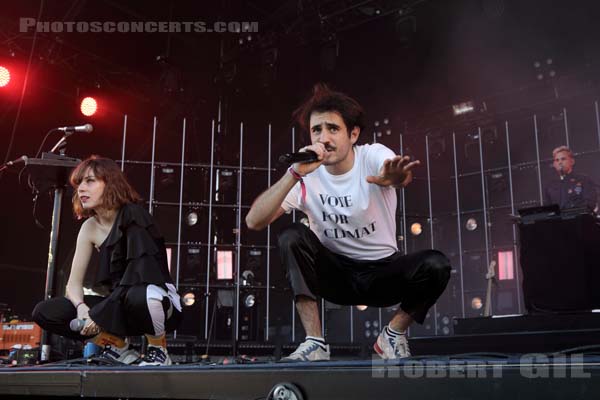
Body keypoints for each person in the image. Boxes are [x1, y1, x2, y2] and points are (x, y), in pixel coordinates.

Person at [245, 84, 451, 361]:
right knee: (291, 235)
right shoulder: (306, 176)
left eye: (333, 128)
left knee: (436, 264)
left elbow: (396, 174)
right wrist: (293, 174)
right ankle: (315, 342)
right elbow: (254, 221)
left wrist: (395, 178)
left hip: (382, 274)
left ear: (353, 134)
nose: (324, 137)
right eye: (317, 130)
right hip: (335, 275)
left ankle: (392, 335)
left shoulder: (372, 155)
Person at [33, 156, 182, 365]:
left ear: (110, 183)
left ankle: (159, 350)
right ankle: (119, 349)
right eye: (79, 184)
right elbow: (73, 285)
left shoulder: (134, 215)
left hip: (156, 301)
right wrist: (81, 307)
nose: (82, 189)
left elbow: (138, 278)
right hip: (118, 304)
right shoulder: (89, 227)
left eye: (90, 181)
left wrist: (99, 314)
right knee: (47, 312)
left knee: (141, 294)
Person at [544, 145, 598, 211]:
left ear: (572, 161)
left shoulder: (584, 180)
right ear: (554, 164)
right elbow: (547, 210)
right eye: (557, 160)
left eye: (563, 159)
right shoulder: (550, 186)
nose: (560, 162)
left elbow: (590, 203)